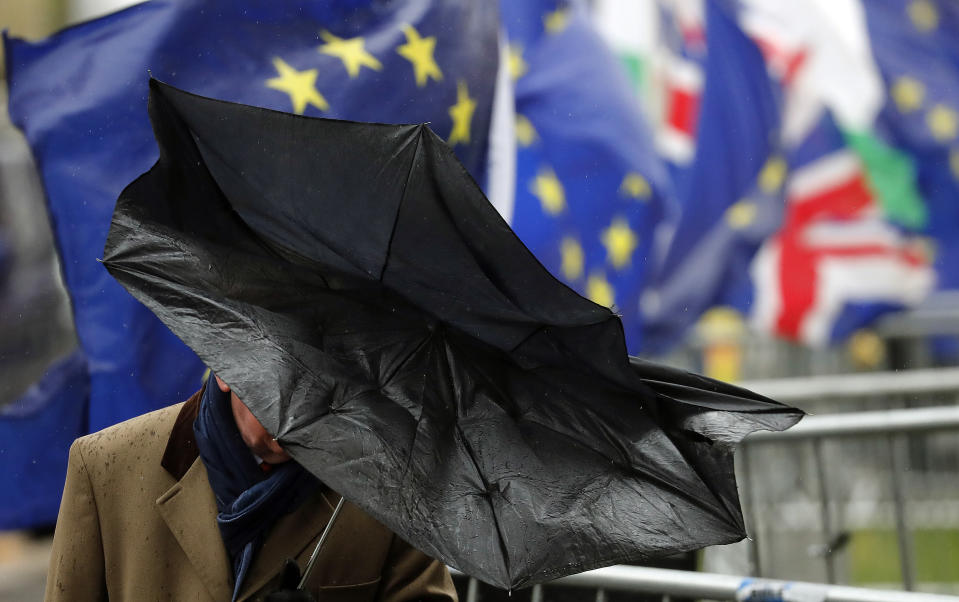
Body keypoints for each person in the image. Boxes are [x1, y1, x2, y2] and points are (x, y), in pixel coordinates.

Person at [44, 373, 457, 601]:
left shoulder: (388, 486)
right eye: (283, 384)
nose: (299, 414)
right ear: (226, 368)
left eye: (318, 387)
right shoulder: (106, 467)